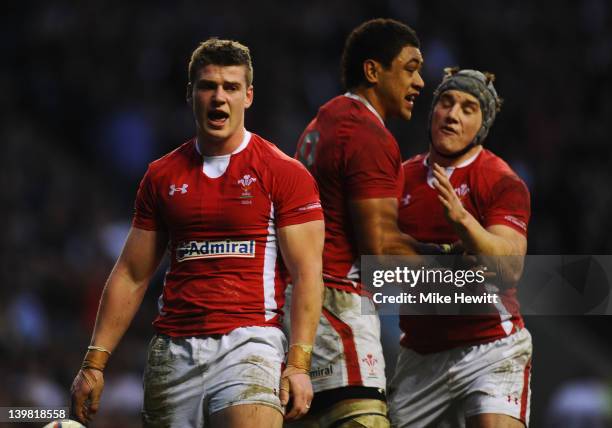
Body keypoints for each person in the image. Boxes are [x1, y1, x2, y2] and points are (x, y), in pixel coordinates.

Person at [69, 38, 325, 428]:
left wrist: (299, 363)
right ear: (191, 94)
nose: (219, 97)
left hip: (250, 343)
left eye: (231, 87)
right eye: (208, 86)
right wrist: (94, 363)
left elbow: (307, 273)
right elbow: (132, 273)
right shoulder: (162, 175)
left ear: (248, 96)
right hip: (173, 353)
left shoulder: (284, 173)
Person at [288, 18, 430, 427]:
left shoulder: (322, 123)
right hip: (338, 312)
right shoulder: (368, 134)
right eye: (410, 68)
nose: (420, 82)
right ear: (373, 71)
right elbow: (381, 252)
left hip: (302, 308)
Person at [389, 68, 532, 427]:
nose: (452, 114)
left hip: (490, 346)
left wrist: (464, 222)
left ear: (482, 125)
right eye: (446, 103)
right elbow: (380, 251)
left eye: (468, 108)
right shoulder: (400, 178)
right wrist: (454, 257)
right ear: (432, 110)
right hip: (419, 353)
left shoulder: (501, 181)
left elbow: (508, 268)